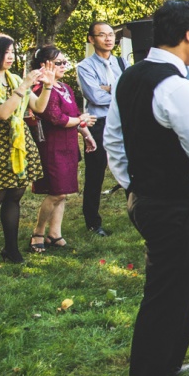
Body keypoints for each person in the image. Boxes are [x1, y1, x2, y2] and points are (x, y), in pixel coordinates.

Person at [105, 0, 189, 376]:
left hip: (148, 197)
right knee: (166, 292)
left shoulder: (131, 76)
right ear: (188, 34)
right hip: (171, 202)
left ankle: (168, 360)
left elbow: (113, 141)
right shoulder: (177, 87)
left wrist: (132, 185)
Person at [0, 33, 49, 268]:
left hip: (19, 143)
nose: (10, 57)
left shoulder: (14, 78)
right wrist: (25, 85)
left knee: (15, 196)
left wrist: (47, 85)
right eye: (6, 52)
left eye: (12, 52)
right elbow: (3, 113)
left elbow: (38, 107)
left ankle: (11, 249)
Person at [29, 47, 94, 254]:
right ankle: (38, 232)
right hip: (52, 144)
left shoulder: (65, 87)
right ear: (44, 65)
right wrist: (81, 120)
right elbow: (56, 118)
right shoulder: (40, 89)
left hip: (68, 144)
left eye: (65, 62)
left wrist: (87, 135)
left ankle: (54, 233)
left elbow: (74, 114)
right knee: (57, 192)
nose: (64, 66)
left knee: (64, 193)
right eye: (59, 63)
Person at [76, 21, 129, 236]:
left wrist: (109, 88)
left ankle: (136, 212)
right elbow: (94, 96)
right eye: (102, 35)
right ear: (91, 39)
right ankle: (92, 221)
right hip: (99, 123)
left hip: (123, 120)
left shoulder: (122, 63)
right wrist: (118, 90)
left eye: (111, 35)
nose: (108, 39)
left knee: (131, 167)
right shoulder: (84, 66)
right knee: (96, 173)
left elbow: (130, 90)